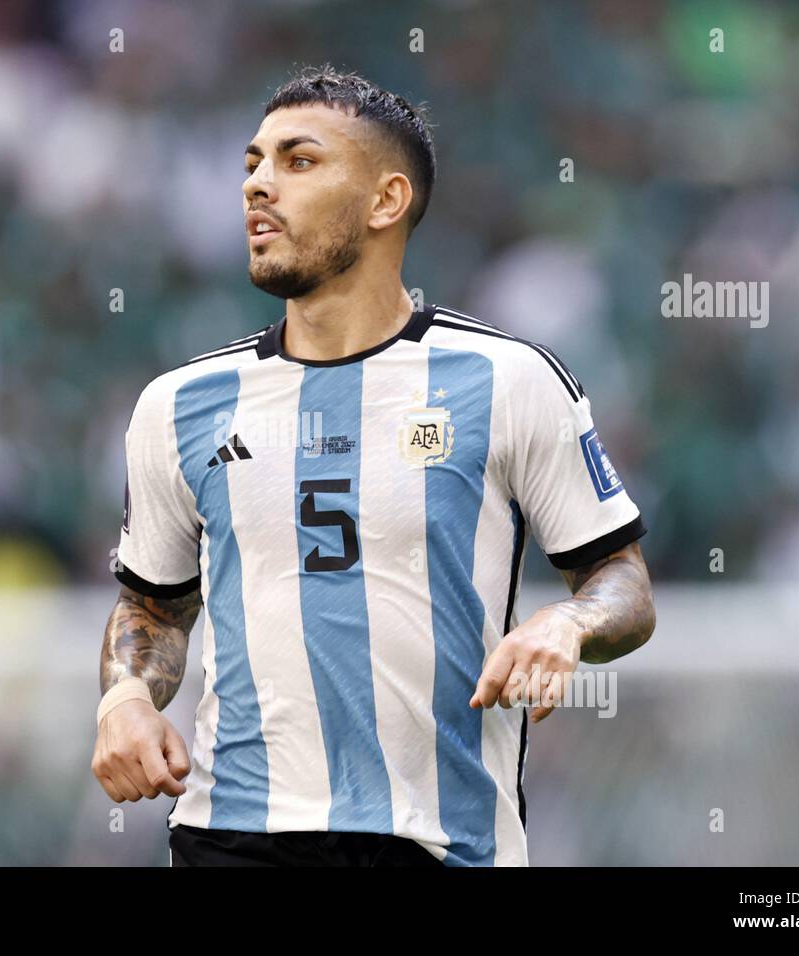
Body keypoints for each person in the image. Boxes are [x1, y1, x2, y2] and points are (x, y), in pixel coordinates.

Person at [91, 65, 655, 866]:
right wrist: (124, 697)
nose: (258, 185)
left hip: (441, 840)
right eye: (252, 162)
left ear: (386, 201)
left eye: (298, 161)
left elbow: (621, 582)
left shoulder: (508, 381)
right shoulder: (179, 405)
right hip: (233, 834)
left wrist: (568, 622)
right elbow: (150, 608)